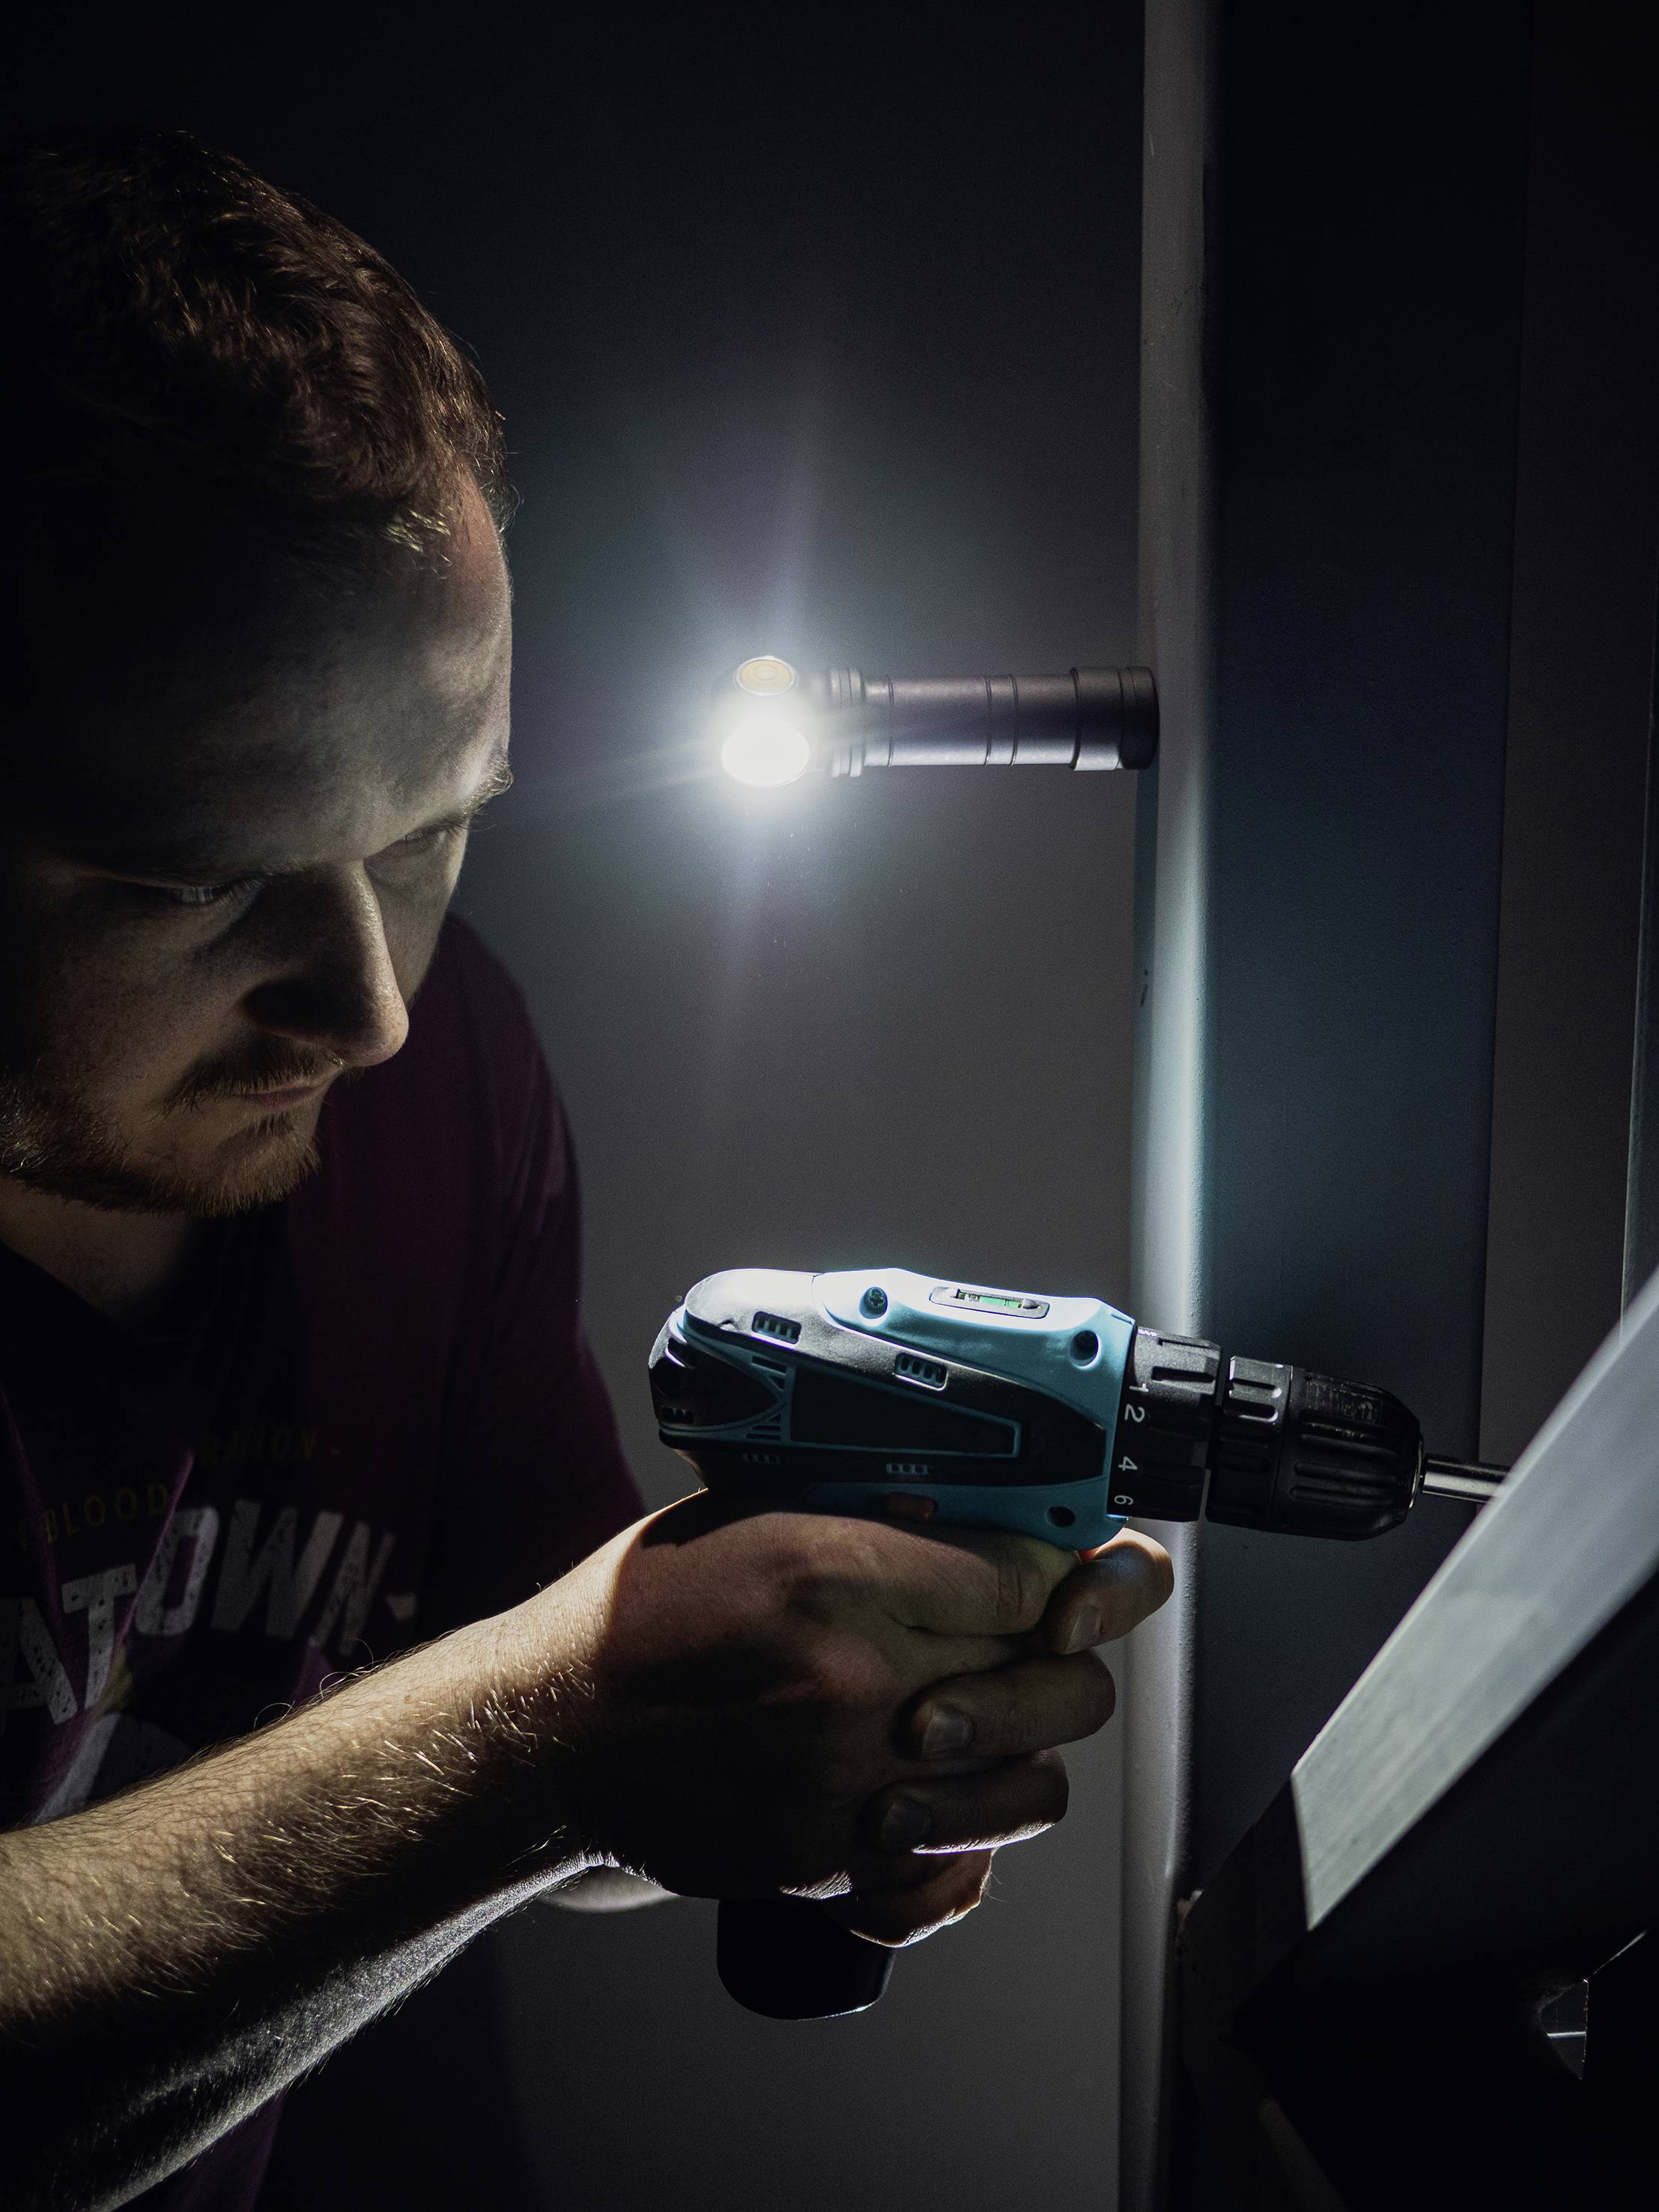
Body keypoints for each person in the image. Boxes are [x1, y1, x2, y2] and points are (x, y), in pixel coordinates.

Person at [0, 128, 1173, 2211]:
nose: (364, 1004)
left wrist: (788, 1720)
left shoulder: (444, 1083)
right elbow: (521, 1724)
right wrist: (554, 1735)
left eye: (433, 829)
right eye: (192, 878)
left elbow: (554, 1688)